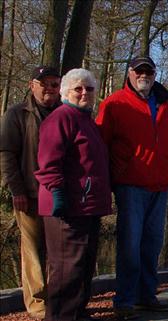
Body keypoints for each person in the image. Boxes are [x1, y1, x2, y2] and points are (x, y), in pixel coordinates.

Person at [96, 56, 168, 319]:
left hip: (160, 184)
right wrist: (108, 181)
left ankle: (146, 295)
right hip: (130, 184)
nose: (144, 75)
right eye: (139, 71)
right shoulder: (114, 103)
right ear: (129, 73)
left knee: (152, 244)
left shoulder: (164, 103)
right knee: (130, 245)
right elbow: (101, 145)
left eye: (149, 71)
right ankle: (125, 300)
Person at [35, 68, 111, 321]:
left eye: (89, 89)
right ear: (66, 91)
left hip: (88, 206)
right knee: (67, 270)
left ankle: (78, 313)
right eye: (78, 88)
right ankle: (60, 316)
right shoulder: (61, 118)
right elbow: (48, 162)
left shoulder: (86, 119)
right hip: (67, 208)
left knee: (83, 267)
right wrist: (57, 193)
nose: (84, 93)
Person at [0, 66, 61, 319]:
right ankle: (37, 304)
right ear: (31, 84)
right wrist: (16, 190)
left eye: (54, 84)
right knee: (33, 251)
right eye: (44, 83)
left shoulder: (65, 112)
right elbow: (6, 154)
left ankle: (58, 300)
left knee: (57, 251)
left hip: (58, 196)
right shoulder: (17, 114)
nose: (49, 88)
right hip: (29, 194)